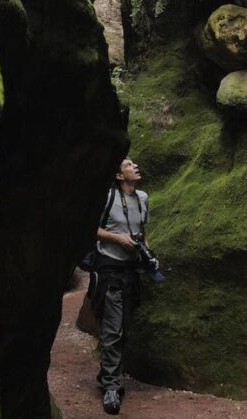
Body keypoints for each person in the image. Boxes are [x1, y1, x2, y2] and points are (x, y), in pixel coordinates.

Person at [91, 157, 159, 415]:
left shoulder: (142, 197)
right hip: (109, 269)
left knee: (124, 327)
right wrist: (116, 238)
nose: (136, 166)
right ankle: (110, 386)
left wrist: (149, 254)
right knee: (113, 330)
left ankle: (106, 373)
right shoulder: (107, 197)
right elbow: (91, 229)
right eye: (129, 164)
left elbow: (142, 231)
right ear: (119, 176)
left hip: (131, 271)